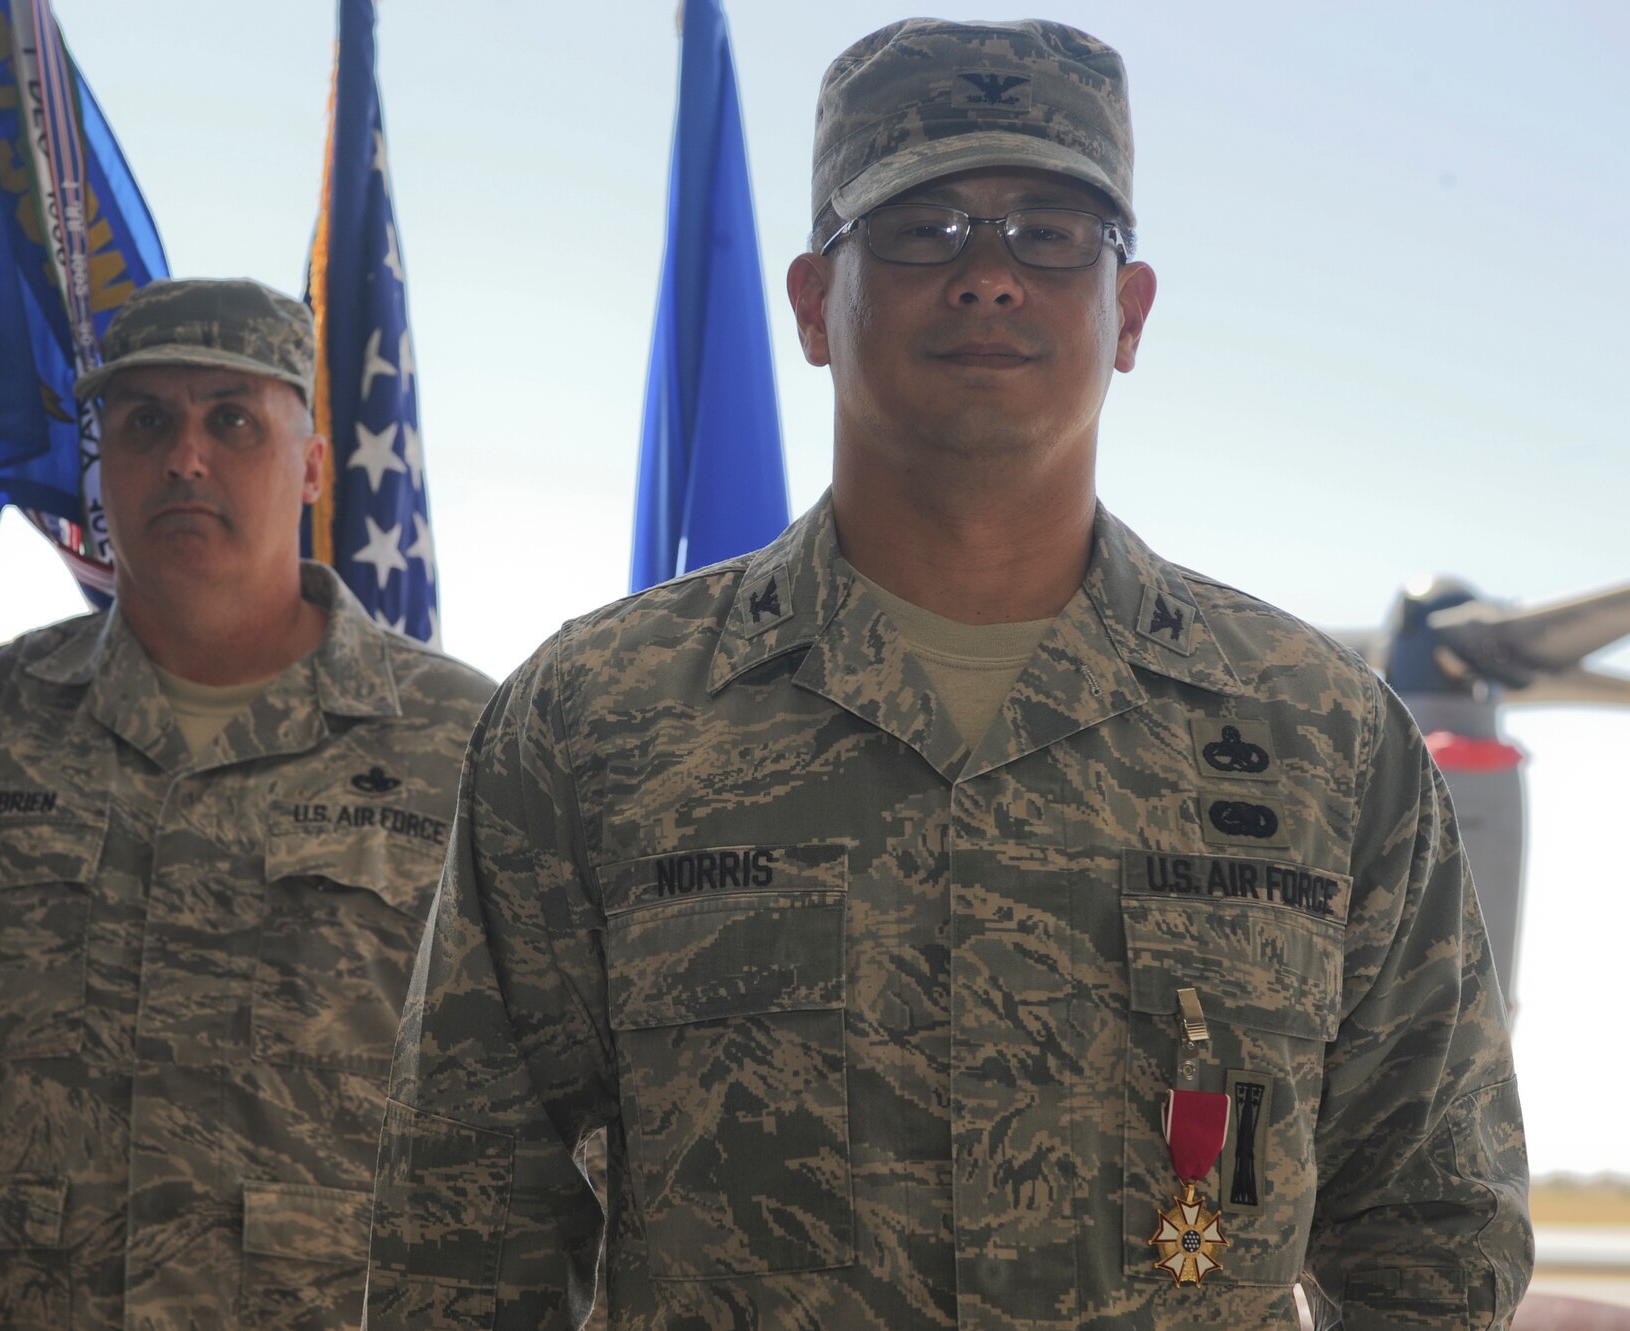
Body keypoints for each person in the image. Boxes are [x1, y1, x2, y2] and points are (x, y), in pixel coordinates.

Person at [362, 20, 1530, 1331]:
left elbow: (1435, 1231)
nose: (989, 278)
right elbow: (463, 1235)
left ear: (1128, 310)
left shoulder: (1323, 741)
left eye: (1050, 231)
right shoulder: (598, 720)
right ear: (813, 303)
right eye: (923, 228)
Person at [0, 278, 493, 1330]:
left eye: (232, 418)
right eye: (145, 420)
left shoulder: (460, 739)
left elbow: (525, 1117)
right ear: (100, 467)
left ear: (307, 465)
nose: (186, 456)